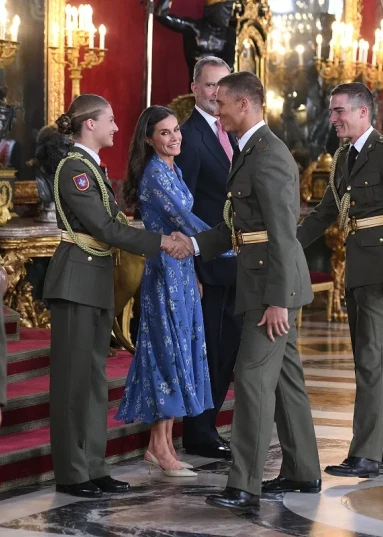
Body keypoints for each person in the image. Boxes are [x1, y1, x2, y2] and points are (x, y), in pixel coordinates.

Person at [172, 71, 321, 510]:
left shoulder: (268, 154)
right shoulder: (249, 150)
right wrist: (194, 244)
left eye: (222, 103)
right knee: (288, 382)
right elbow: (238, 227)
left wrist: (277, 299)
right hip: (260, 281)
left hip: (269, 289)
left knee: (253, 382)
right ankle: (302, 471)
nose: (216, 111)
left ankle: (244, 484)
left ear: (244, 104)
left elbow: (280, 233)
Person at [42, 94, 190, 499]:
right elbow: (106, 228)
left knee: (92, 381)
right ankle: (72, 473)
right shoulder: (75, 169)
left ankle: (93, 466)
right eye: (109, 120)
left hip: (93, 278)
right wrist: (161, 241)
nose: (116, 127)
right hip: (75, 280)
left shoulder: (91, 167)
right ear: (89, 124)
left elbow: (110, 225)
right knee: (73, 381)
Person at [298, 82, 383, 479]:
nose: (333, 118)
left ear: (363, 113)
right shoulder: (343, 158)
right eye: (332, 112)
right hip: (358, 270)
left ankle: (365, 454)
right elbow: (324, 214)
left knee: (370, 361)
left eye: (339, 111)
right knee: (376, 360)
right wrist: (288, 245)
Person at [116, 105, 218, 477]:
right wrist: (231, 242)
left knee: (181, 353)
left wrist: (194, 272)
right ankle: (160, 447)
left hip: (182, 270)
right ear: (148, 138)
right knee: (167, 356)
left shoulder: (172, 168)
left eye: (176, 130)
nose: (174, 137)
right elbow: (186, 221)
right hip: (163, 276)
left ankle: (161, 445)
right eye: (164, 132)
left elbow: (186, 231)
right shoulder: (156, 174)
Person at [175, 56, 238, 460]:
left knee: (228, 349)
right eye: (212, 85)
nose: (218, 93)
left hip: (236, 263)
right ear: (196, 87)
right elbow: (183, 209)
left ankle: (210, 423)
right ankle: (199, 431)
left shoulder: (234, 132)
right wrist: (192, 267)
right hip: (207, 265)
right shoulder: (187, 136)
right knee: (209, 350)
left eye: (224, 86)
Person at [155, 0, 236, 84]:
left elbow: (230, 63)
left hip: (220, 86)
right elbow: (161, 15)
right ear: (212, 10)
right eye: (226, 9)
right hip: (199, 86)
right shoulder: (194, 28)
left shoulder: (230, 33)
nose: (229, 14)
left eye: (230, 9)